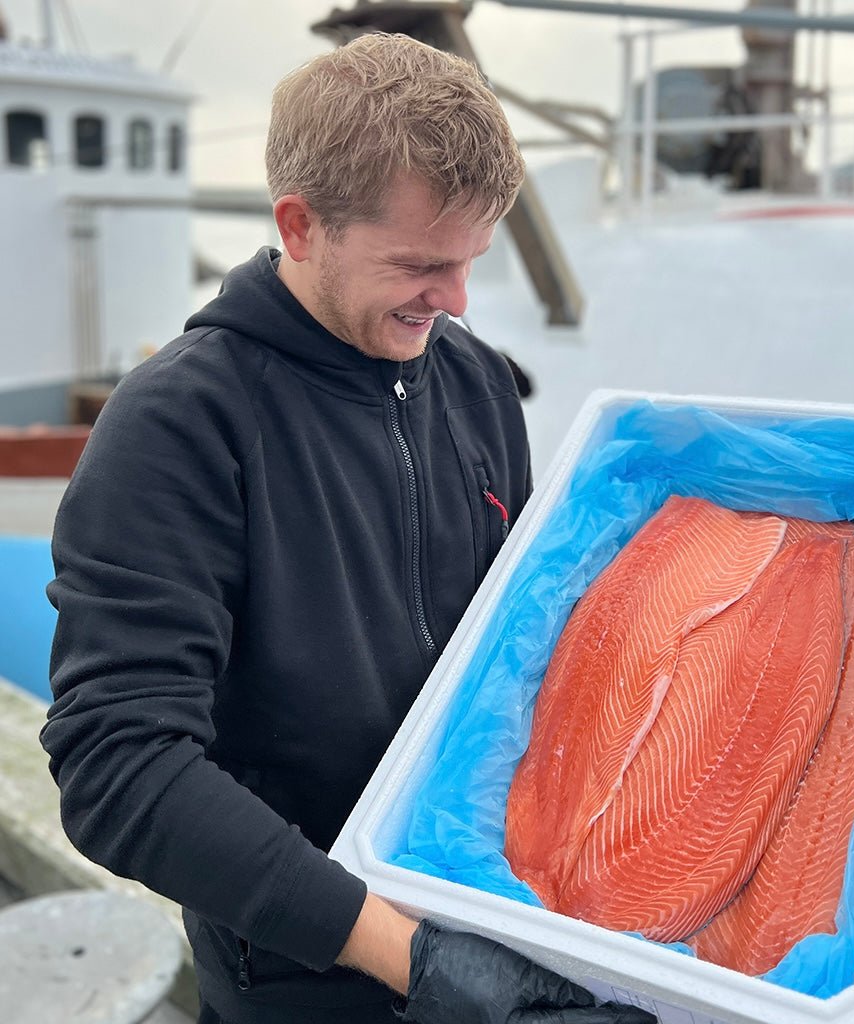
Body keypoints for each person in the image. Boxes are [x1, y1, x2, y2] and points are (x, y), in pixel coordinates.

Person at [40, 32, 655, 1024]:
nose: (455, 301)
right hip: (302, 970)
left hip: (495, 909)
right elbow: (117, 765)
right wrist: (415, 958)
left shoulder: (475, 382)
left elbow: (515, 642)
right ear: (301, 225)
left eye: (470, 262)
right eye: (420, 264)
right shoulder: (179, 425)